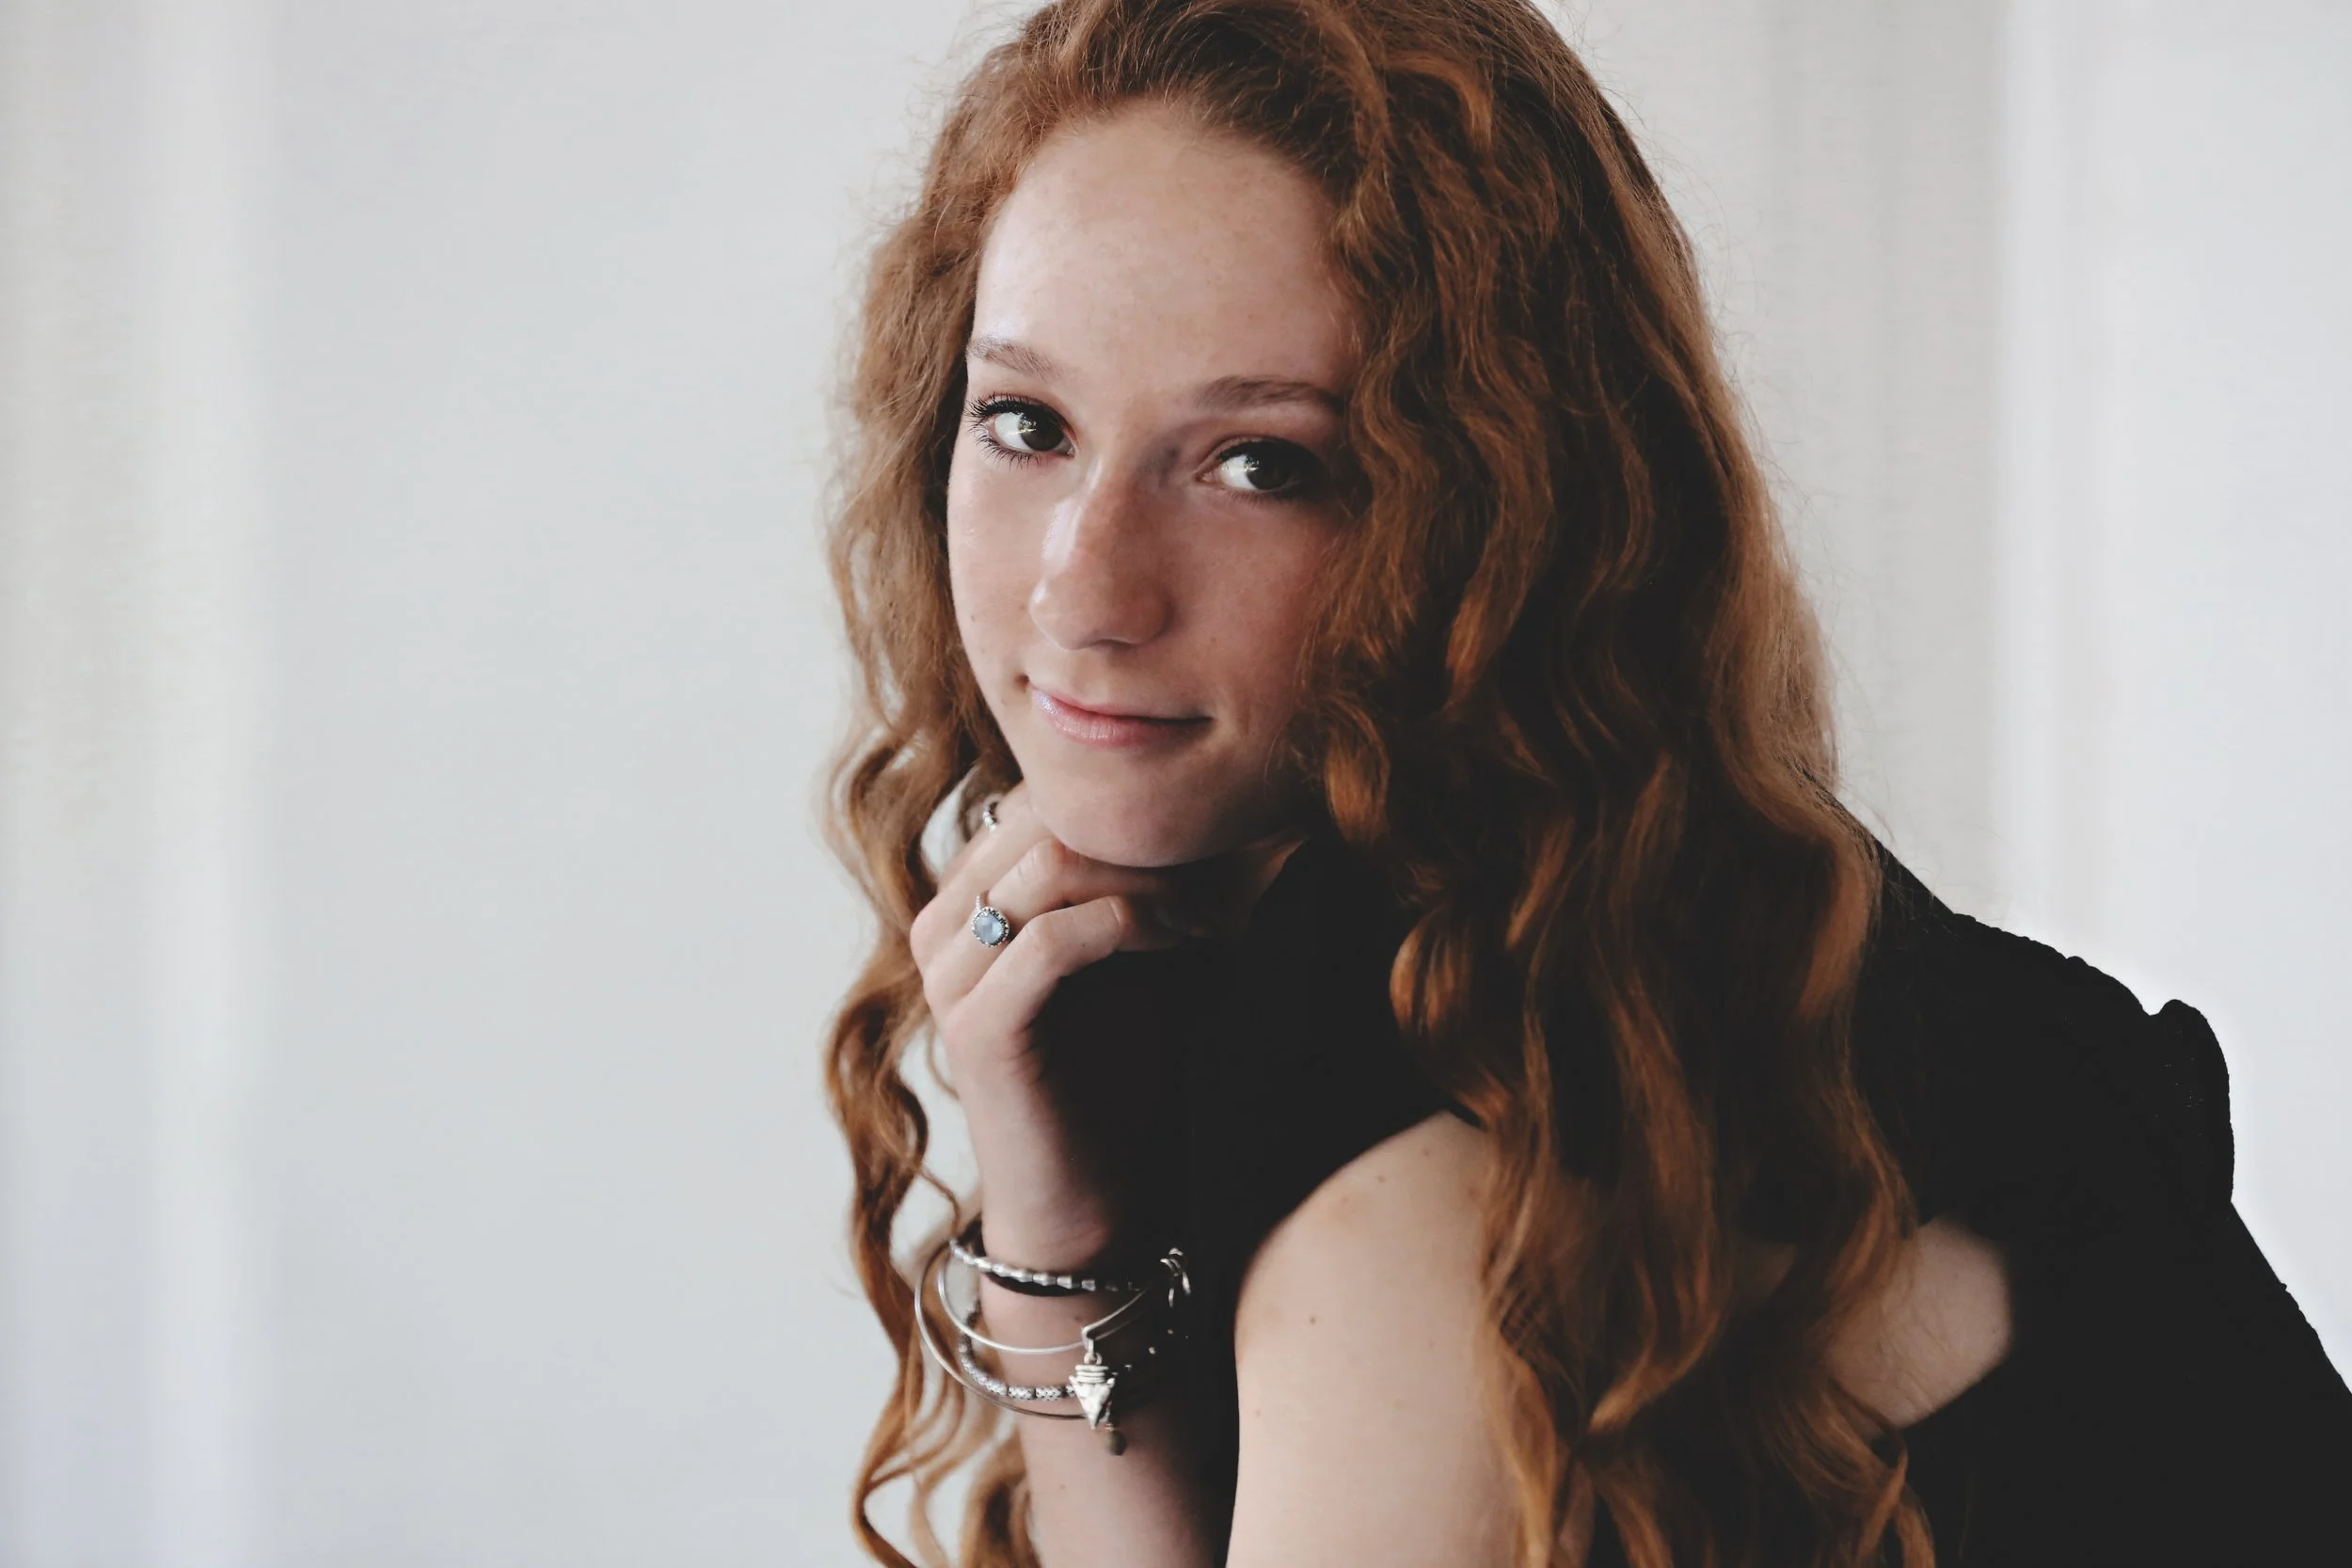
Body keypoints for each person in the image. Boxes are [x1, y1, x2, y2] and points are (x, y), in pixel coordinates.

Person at [821, 2, 2352, 1564]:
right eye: (1028, 424)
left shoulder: (1425, 1089)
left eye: (1260, 462)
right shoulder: (1623, 927)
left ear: (1501, 510)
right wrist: (1059, 1216)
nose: (1084, 591)